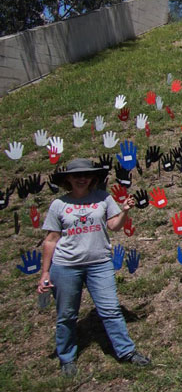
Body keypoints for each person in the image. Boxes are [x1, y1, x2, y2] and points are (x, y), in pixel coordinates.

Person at [37, 158, 151, 377]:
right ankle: (67, 358)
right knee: (67, 315)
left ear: (93, 178)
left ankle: (126, 352)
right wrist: (44, 272)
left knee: (110, 310)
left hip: (99, 264)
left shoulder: (103, 198)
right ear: (68, 179)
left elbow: (113, 226)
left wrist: (125, 211)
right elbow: (51, 240)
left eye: (86, 175)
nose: (82, 179)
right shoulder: (59, 205)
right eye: (77, 175)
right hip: (65, 266)